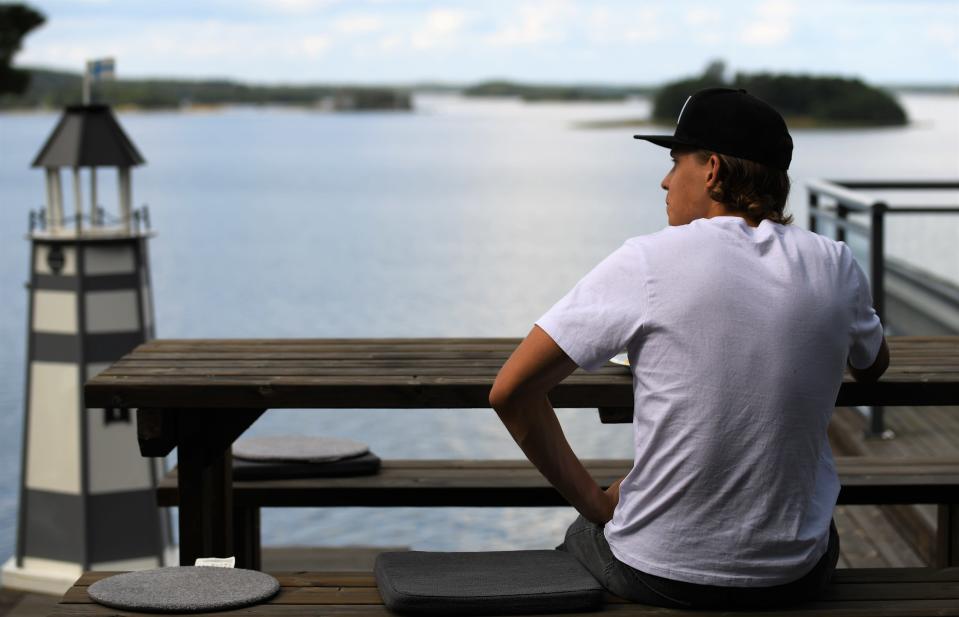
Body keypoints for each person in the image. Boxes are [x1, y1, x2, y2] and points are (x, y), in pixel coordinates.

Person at [488, 87, 889, 609]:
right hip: (796, 574)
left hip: (662, 572)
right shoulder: (834, 261)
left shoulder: (648, 261)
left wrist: (597, 503)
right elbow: (872, 365)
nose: (665, 179)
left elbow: (510, 391)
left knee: (585, 532)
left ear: (713, 170)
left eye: (676, 161)